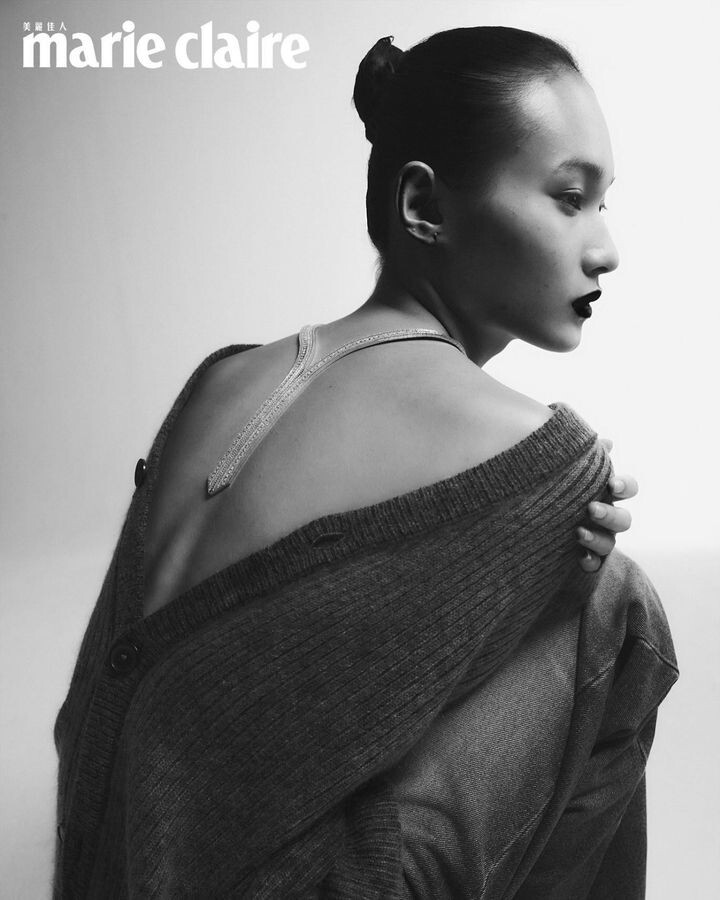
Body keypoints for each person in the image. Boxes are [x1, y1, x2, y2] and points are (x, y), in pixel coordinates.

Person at [52, 26, 678, 899]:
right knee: (618, 606)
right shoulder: (539, 454)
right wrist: (563, 532)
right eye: (570, 199)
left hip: (105, 871)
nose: (605, 247)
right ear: (424, 206)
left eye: (603, 204)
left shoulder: (218, 379)